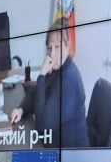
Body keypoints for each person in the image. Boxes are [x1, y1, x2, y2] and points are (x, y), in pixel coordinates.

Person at [10, 19, 87, 147]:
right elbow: (34, 94)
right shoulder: (57, 69)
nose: (52, 54)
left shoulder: (69, 80)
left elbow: (42, 125)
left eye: (57, 47)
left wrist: (41, 75)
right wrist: (21, 109)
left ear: (68, 46)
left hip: (69, 154)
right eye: (49, 48)